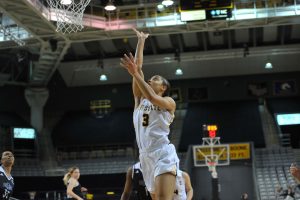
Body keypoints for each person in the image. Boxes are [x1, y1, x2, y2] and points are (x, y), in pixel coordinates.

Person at [120, 29, 180, 200]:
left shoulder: (169, 102)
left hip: (162, 153)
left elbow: (152, 97)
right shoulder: (139, 101)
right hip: (144, 156)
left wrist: (135, 74)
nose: (150, 80)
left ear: (163, 87)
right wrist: (141, 41)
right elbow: (137, 68)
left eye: (155, 78)